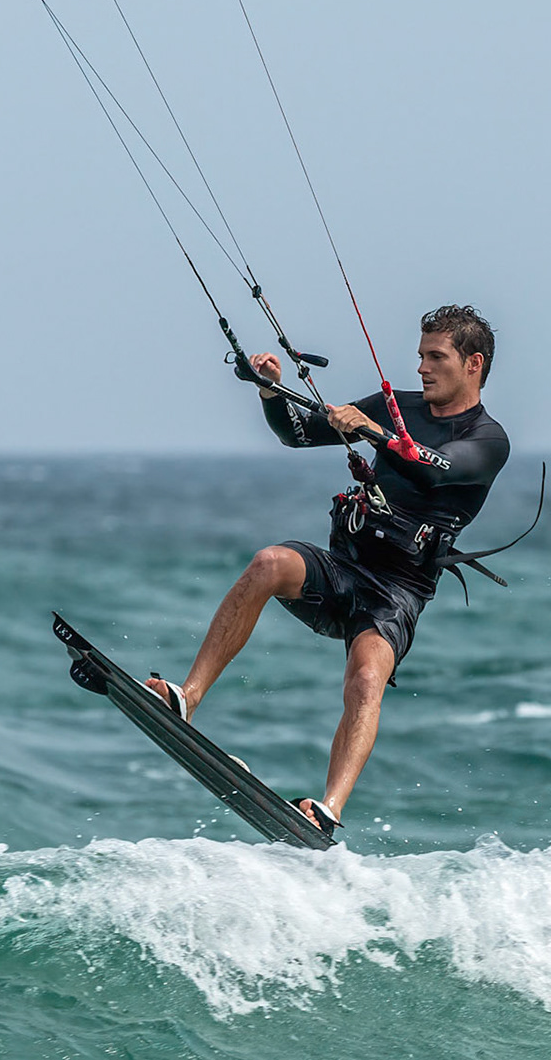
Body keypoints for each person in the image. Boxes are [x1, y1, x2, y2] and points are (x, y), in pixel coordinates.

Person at [145, 304, 511, 838]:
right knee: (269, 562)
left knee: (367, 679)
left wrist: (372, 431)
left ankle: (327, 808)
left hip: (397, 593)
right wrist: (269, 389)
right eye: (420, 356)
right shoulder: (397, 408)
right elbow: (297, 433)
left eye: (436, 357)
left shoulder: (488, 439)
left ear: (473, 364)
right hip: (343, 568)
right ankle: (188, 696)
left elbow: (439, 470)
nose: (422, 368)